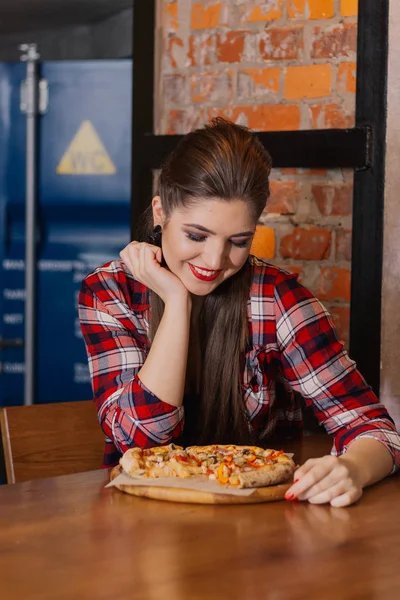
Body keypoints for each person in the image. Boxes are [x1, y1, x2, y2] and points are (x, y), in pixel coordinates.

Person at [79, 118, 400, 507]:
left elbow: (375, 429)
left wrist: (353, 468)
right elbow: (140, 440)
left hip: (256, 527)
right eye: (197, 236)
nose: (215, 261)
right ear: (160, 212)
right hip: (135, 521)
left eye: (238, 241)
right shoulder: (111, 290)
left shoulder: (279, 298)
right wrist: (176, 301)